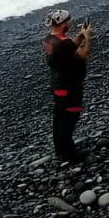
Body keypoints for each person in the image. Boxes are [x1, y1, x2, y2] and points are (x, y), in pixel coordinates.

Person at [42, 9, 92, 163]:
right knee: (70, 118)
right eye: (68, 21)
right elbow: (83, 55)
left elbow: (68, 49)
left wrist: (79, 37)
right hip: (69, 86)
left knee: (59, 117)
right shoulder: (64, 43)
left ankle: (60, 150)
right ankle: (70, 154)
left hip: (57, 84)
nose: (70, 23)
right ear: (62, 23)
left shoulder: (49, 40)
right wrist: (88, 38)